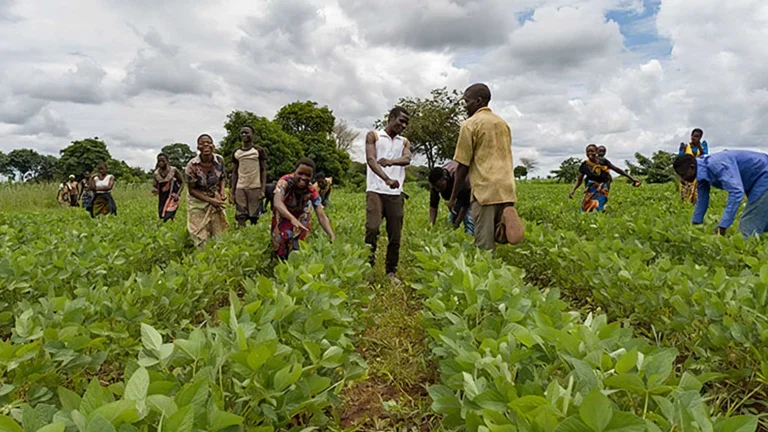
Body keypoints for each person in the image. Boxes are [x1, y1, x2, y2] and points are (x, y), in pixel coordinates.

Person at [449, 83, 523, 252]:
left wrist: (453, 197)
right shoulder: (502, 123)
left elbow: (462, 166)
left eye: (467, 101)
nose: (465, 106)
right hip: (506, 189)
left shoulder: (470, 124)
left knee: (484, 245)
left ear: (478, 101)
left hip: (485, 190)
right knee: (500, 233)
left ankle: (487, 275)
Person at [365, 106, 412, 283]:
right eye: (401, 120)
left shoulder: (404, 142)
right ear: (391, 118)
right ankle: (367, 267)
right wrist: (386, 179)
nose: (404, 125)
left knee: (395, 233)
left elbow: (407, 159)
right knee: (372, 228)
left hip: (395, 194)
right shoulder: (374, 136)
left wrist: (391, 162)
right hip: (375, 190)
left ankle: (391, 271)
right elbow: (371, 160)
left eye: (406, 122)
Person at [674, 150, 768, 237]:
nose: (683, 179)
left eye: (683, 175)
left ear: (692, 167)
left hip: (764, 175)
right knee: (762, 221)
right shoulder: (701, 172)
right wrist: (695, 224)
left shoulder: (717, 165)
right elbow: (702, 200)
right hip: (756, 180)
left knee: (748, 227)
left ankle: (745, 252)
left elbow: (736, 192)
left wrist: (723, 225)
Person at [271, 158, 335, 259]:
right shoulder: (284, 182)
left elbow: (321, 215)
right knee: (280, 244)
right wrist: (292, 218)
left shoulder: (312, 190)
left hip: (301, 215)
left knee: (298, 245)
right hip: (283, 213)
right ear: (295, 171)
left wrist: (331, 234)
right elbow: (277, 202)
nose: (303, 177)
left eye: (308, 175)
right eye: (300, 173)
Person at [185, 134, 229, 247]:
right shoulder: (191, 165)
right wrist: (210, 200)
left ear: (213, 146)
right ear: (198, 148)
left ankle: (217, 254)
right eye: (202, 143)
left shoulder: (219, 160)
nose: (206, 145)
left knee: (218, 231)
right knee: (198, 232)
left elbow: (222, 177)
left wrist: (222, 192)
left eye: (208, 142)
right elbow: (192, 190)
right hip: (197, 200)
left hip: (214, 197)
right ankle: (201, 254)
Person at [569, 144, 641, 212]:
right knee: (586, 207)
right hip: (591, 187)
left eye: (592, 151)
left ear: (596, 152)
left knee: (600, 202)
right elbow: (579, 179)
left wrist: (631, 178)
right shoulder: (584, 165)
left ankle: (600, 212)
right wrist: (573, 190)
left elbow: (616, 169)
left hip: (603, 186)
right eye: (588, 151)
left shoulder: (603, 161)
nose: (590, 153)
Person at [231, 125, 267, 228]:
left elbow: (263, 170)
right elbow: (234, 172)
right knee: (240, 214)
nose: (244, 134)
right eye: (242, 132)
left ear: (252, 135)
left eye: (246, 132)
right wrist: (232, 190)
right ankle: (241, 232)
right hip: (240, 186)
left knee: (254, 215)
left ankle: (252, 235)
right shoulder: (237, 152)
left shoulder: (258, 151)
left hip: (255, 186)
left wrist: (262, 189)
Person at [429, 161, 473, 235]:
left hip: (470, 191)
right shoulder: (435, 184)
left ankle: (470, 239)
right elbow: (433, 206)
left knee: (469, 221)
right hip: (455, 197)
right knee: (450, 223)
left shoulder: (460, 178)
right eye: (436, 188)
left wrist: (457, 223)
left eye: (440, 187)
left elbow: (465, 205)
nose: (438, 190)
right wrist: (431, 226)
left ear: (445, 178)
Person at [678, 128, 709, 204]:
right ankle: (684, 205)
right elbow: (680, 159)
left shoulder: (703, 146)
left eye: (696, 136)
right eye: (693, 136)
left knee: (696, 191)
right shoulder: (685, 146)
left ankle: (695, 204)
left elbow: (704, 156)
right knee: (685, 190)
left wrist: (699, 147)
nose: (693, 138)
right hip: (687, 172)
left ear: (700, 138)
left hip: (698, 171)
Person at [152, 153, 185, 221]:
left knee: (169, 215)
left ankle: (171, 226)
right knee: (162, 216)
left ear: (167, 161)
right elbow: (154, 186)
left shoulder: (173, 170)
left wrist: (178, 194)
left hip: (173, 196)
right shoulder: (156, 173)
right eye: (159, 161)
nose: (161, 163)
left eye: (163, 161)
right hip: (162, 197)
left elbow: (182, 182)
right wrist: (154, 190)